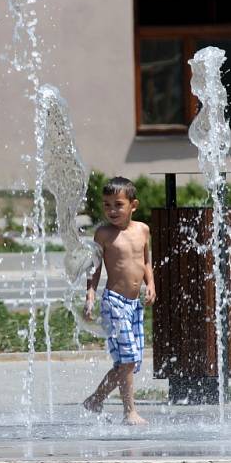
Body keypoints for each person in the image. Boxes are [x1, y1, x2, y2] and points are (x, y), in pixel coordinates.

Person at [82, 176, 155, 425]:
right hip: (114, 301)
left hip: (134, 305)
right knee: (128, 360)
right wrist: (90, 293)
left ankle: (95, 400)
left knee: (129, 364)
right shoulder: (103, 234)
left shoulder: (143, 230)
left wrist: (151, 284)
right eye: (107, 205)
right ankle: (129, 412)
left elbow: (145, 261)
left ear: (133, 205)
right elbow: (94, 267)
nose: (112, 210)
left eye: (118, 204)